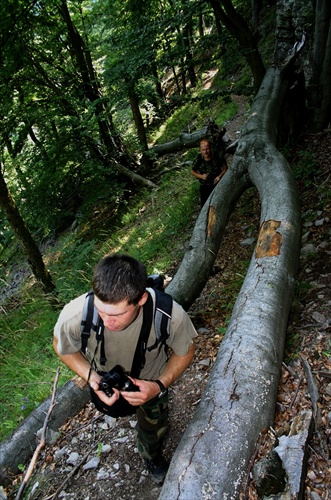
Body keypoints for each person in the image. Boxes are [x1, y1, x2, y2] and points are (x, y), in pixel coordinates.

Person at [53, 254, 197, 484]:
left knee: (154, 425)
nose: (108, 322)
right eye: (102, 311)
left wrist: (158, 386)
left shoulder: (168, 314)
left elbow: (186, 351)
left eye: (118, 314)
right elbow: (61, 347)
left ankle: (152, 456)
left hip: (151, 380)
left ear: (140, 299)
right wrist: (91, 377)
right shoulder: (75, 314)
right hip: (106, 379)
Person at [191, 138, 227, 207]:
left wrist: (219, 176)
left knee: (220, 204)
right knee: (205, 206)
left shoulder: (217, 156)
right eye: (203, 150)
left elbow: (225, 168)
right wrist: (202, 176)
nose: (205, 152)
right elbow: (192, 171)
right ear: (200, 150)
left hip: (218, 183)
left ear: (210, 148)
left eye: (207, 149)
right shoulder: (198, 159)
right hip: (205, 186)